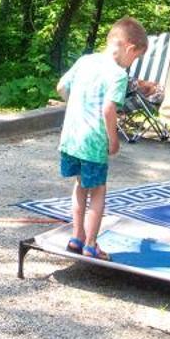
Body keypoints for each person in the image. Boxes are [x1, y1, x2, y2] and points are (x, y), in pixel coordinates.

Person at [55, 17, 149, 259]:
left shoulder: (85, 61)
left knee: (80, 186)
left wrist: (77, 107)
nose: (133, 62)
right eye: (136, 57)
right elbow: (109, 109)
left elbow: (61, 87)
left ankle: (76, 237)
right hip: (94, 141)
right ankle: (91, 243)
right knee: (98, 191)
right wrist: (114, 139)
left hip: (72, 137)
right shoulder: (117, 75)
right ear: (129, 47)